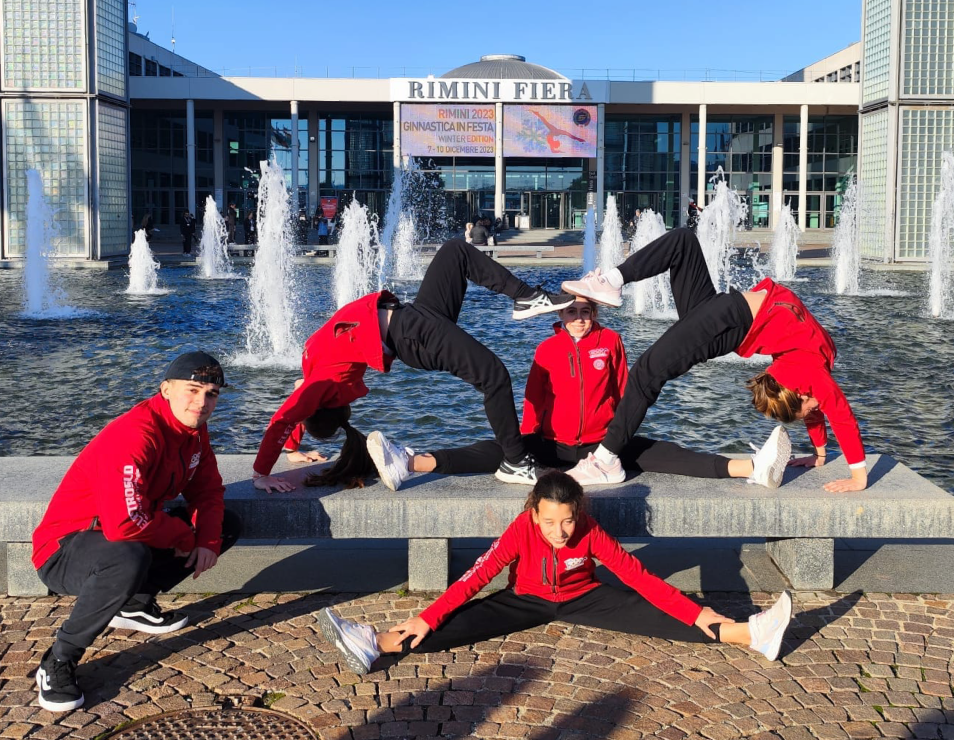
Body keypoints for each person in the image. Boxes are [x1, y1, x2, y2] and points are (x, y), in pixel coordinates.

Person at [317, 471, 793, 676]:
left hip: (587, 597)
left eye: (567, 520)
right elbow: (474, 579)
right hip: (524, 599)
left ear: (578, 511)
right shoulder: (519, 531)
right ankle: (375, 643)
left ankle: (747, 634)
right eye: (550, 522)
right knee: (452, 623)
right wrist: (428, 615)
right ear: (533, 511)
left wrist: (697, 609)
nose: (561, 532)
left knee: (658, 611)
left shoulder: (589, 530)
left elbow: (638, 576)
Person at [249, 239, 576, 493]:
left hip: (414, 318)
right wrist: (261, 474)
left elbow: (293, 409)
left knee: (455, 251)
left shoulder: (312, 377)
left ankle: (526, 296)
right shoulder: (321, 383)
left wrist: (292, 450)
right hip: (412, 336)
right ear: (322, 404)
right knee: (494, 377)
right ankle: (517, 462)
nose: (296, 396)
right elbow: (285, 416)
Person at [367, 297, 788, 491]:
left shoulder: (613, 342)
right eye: (572, 312)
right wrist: (525, 447)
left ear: (595, 314)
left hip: (604, 447)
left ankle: (751, 467)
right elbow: (534, 401)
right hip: (553, 444)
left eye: (587, 312)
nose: (580, 319)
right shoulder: (547, 349)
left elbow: (629, 391)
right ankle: (408, 462)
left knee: (667, 453)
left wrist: (618, 440)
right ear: (560, 316)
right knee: (492, 451)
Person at [559, 228, 867, 492]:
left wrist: (820, 453)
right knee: (682, 243)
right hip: (728, 317)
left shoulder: (811, 368)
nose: (817, 410)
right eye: (810, 407)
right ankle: (608, 461)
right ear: (800, 392)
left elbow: (816, 408)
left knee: (647, 371)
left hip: (727, 318)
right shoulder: (812, 374)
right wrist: (858, 475)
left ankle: (606, 456)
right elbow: (840, 415)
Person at [30, 352, 241, 712]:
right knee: (129, 555)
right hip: (64, 549)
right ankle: (57, 662)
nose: (202, 402)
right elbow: (124, 523)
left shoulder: (194, 432)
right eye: (192, 390)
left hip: (120, 538)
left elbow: (207, 492)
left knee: (226, 526)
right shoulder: (135, 434)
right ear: (165, 389)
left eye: (211, 394)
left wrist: (205, 540)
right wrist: (181, 535)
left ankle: (133, 601)